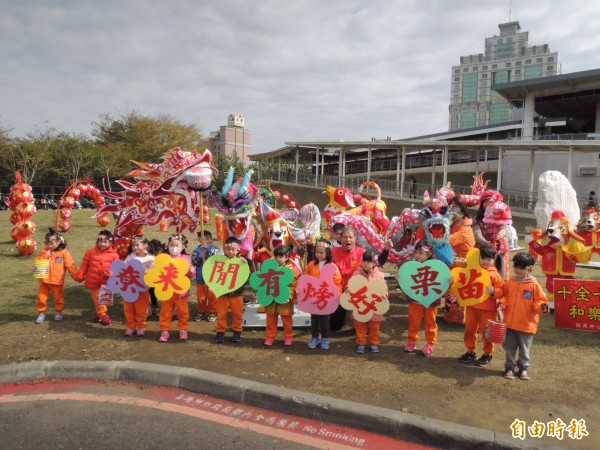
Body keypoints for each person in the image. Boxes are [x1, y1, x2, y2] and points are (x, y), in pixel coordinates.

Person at [497, 252, 549, 381]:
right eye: (516, 266)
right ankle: (509, 368)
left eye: (522, 268)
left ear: (530, 269)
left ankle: (523, 368)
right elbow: (505, 296)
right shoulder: (510, 282)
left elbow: (539, 301)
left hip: (526, 325)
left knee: (524, 349)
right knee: (509, 347)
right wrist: (501, 303)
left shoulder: (534, 285)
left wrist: (542, 307)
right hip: (509, 323)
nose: (518, 270)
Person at [330, 227, 390, 331]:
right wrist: (310, 245)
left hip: (359, 292)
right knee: (335, 326)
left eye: (350, 237)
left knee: (365, 329)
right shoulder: (333, 252)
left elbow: (376, 263)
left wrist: (386, 250)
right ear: (340, 239)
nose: (347, 240)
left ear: (356, 240)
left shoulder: (362, 252)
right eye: (345, 237)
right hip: (339, 291)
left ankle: (362, 320)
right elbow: (319, 260)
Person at [458, 245, 504, 366]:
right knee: (469, 330)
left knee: (487, 332)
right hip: (472, 306)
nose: (486, 261)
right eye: (483, 258)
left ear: (494, 260)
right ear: (479, 258)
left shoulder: (494, 275)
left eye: (489, 259)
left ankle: (488, 354)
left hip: (488, 309)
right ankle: (470, 351)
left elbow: (502, 291)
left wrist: (494, 291)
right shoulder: (472, 269)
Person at [403, 240, 445, 356]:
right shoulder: (411, 266)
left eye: (420, 253)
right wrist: (400, 278)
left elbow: (443, 281)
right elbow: (406, 281)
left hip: (430, 302)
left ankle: (431, 344)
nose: (417, 255)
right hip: (415, 301)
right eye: (416, 252)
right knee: (413, 322)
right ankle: (411, 341)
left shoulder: (437, 267)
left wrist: (449, 282)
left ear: (429, 254)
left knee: (430, 322)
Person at [303, 239, 342, 350]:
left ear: (328, 253)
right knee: (314, 318)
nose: (318, 254)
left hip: (326, 297)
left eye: (321, 252)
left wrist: (337, 295)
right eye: (317, 252)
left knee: (324, 319)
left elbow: (337, 282)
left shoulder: (333, 266)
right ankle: (314, 337)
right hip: (313, 296)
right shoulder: (311, 265)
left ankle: (325, 338)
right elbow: (305, 279)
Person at [75, 230, 120, 325]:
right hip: (93, 280)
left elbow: (117, 269)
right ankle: (103, 315)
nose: (102, 244)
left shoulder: (115, 255)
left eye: (105, 242)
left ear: (110, 243)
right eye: (100, 241)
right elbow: (84, 265)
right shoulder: (90, 252)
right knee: (97, 299)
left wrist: (111, 274)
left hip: (107, 282)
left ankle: (99, 314)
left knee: (105, 300)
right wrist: (80, 275)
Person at [34, 228, 78, 324]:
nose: (49, 246)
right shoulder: (45, 251)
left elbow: (70, 264)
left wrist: (76, 276)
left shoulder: (64, 253)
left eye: (51, 243)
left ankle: (58, 312)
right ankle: (41, 313)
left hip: (57, 281)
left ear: (58, 242)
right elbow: (38, 261)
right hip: (44, 280)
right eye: (47, 244)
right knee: (41, 298)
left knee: (58, 298)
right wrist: (45, 256)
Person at [158, 234, 195, 342]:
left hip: (180, 292)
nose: (174, 247)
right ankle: (165, 330)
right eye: (172, 245)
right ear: (167, 245)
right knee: (165, 311)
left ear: (182, 247)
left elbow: (189, 275)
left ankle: (183, 329)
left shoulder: (185, 259)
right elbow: (158, 272)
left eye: (177, 245)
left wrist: (191, 271)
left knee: (183, 311)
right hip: (166, 290)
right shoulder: (164, 258)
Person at [352, 250, 388, 354]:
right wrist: (347, 289)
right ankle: (361, 342)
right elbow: (351, 285)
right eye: (364, 261)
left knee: (374, 326)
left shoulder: (379, 275)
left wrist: (385, 293)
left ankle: (374, 343)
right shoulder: (356, 273)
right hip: (360, 306)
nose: (366, 264)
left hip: (374, 306)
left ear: (374, 263)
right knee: (360, 325)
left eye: (368, 261)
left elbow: (384, 286)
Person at [264, 245, 300, 346]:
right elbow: (264, 281)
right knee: (270, 319)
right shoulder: (269, 267)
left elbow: (293, 285)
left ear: (287, 258)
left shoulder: (290, 270)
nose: (278, 259)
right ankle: (270, 336)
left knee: (287, 320)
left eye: (281, 257)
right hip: (271, 299)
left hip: (285, 300)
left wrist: (288, 296)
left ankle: (288, 337)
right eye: (276, 256)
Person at [214, 237, 248, 344]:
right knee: (221, 314)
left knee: (238, 315)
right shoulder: (220, 261)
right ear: (224, 250)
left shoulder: (241, 262)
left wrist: (245, 264)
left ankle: (237, 331)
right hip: (222, 294)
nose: (230, 252)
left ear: (238, 250)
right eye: (228, 249)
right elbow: (214, 275)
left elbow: (246, 276)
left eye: (233, 249)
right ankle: (220, 332)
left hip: (237, 295)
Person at [123, 235, 155, 337]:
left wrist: (148, 271)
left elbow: (155, 272)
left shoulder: (150, 258)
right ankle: (130, 326)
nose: (135, 248)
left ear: (145, 245)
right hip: (129, 288)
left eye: (137, 245)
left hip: (142, 288)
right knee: (129, 308)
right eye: (133, 245)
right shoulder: (130, 257)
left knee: (142, 308)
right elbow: (123, 268)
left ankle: (141, 326)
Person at [191, 230, 222, 322]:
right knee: (201, 296)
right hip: (201, 277)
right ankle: (201, 311)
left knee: (212, 295)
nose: (205, 241)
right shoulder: (197, 250)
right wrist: (200, 256)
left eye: (207, 239)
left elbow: (218, 256)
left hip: (213, 277)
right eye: (202, 239)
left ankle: (213, 311)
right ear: (199, 240)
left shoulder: (215, 248)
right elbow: (194, 262)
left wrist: (207, 248)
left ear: (211, 240)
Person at [147, 239, 165, 317]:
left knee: (161, 292)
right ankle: (154, 305)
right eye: (159, 249)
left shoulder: (162, 256)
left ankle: (159, 306)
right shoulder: (149, 257)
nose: (161, 250)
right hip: (151, 278)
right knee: (151, 291)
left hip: (161, 278)